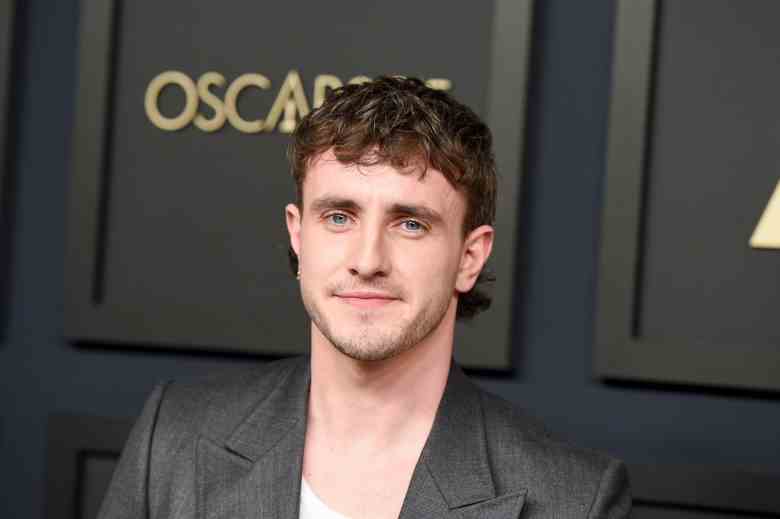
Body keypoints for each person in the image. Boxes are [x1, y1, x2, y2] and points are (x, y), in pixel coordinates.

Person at [98, 76, 631, 519]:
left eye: (411, 223)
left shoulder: (573, 500)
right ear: (298, 235)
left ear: (470, 257)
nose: (368, 258)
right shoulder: (174, 435)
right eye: (338, 216)